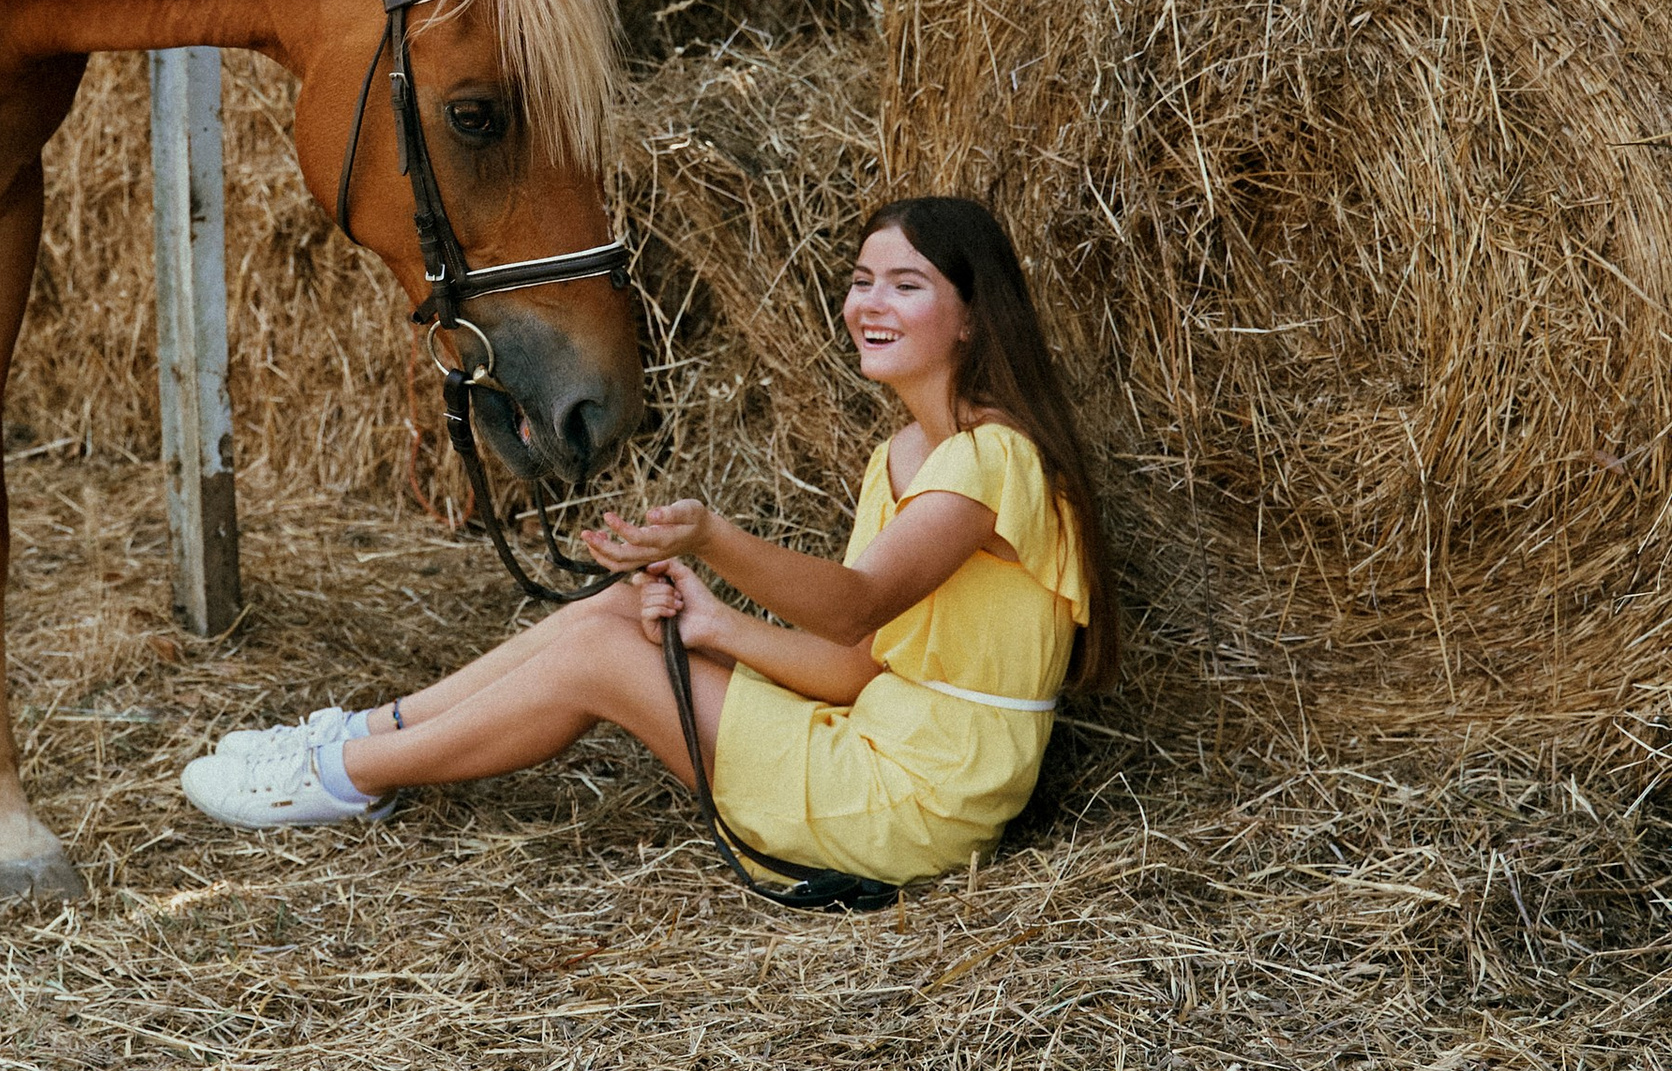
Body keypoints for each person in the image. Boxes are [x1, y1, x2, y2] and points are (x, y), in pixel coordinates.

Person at [179, 195, 1117, 891]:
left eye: (906, 285)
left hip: (916, 804)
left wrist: (713, 537)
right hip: (873, 738)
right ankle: (364, 733)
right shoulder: (906, 456)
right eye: (862, 280)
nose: (870, 303)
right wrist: (710, 625)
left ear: (974, 313)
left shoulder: (993, 459)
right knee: (616, 606)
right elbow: (856, 667)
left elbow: (854, 603)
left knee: (596, 651)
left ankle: (340, 778)